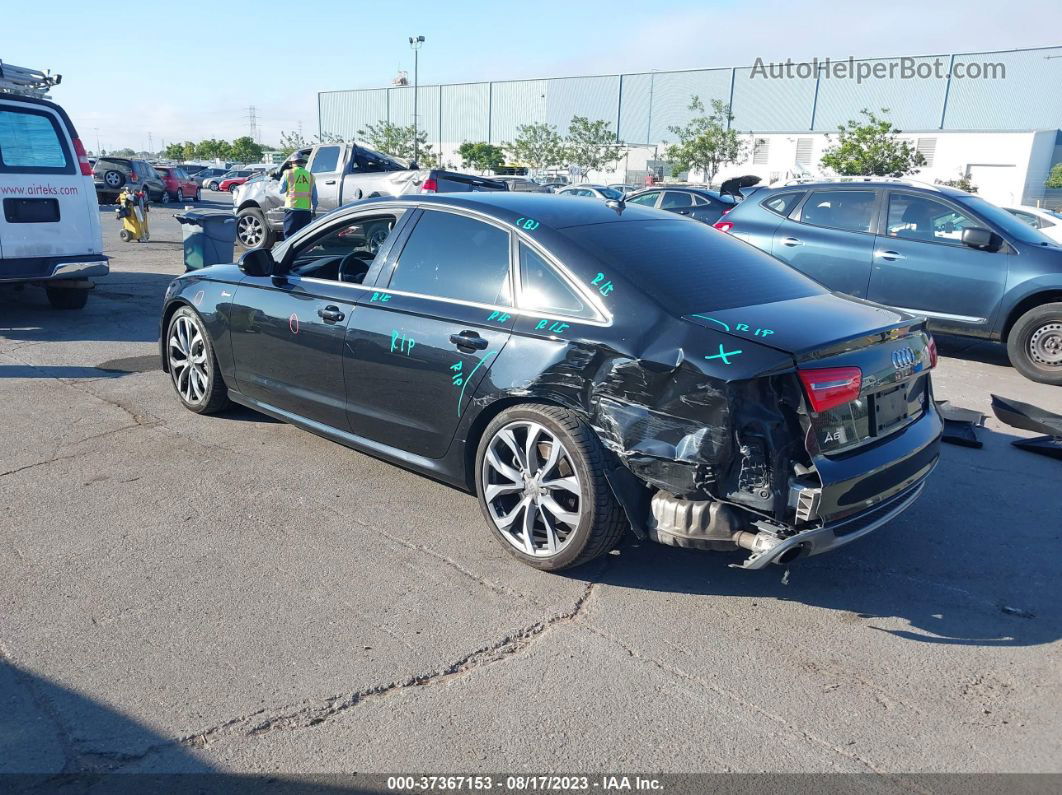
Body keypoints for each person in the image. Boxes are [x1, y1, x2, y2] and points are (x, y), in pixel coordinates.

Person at [277, 153, 317, 238]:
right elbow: (315, 197)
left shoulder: (288, 173)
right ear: (302, 163)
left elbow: (281, 190)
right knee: (303, 237)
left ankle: (289, 251)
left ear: (292, 163)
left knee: (289, 236)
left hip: (292, 210)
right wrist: (313, 210)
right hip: (306, 211)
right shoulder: (310, 176)